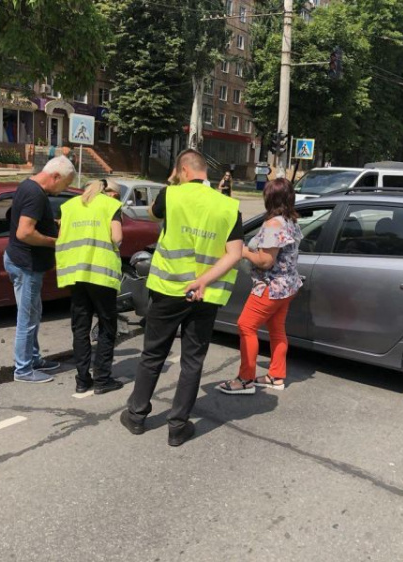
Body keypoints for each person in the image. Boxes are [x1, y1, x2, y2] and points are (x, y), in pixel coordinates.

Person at [121, 149, 243, 446]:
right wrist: (203, 280)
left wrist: (171, 183)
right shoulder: (229, 206)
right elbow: (235, 254)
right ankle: (178, 427)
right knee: (192, 360)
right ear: (204, 172)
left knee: (153, 354)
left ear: (183, 171)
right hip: (206, 294)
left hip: (168, 290)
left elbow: (152, 214)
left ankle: (136, 415)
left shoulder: (170, 195)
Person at [216, 178, 302, 394]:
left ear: (270, 198)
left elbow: (265, 261)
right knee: (276, 330)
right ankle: (276, 376)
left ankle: (245, 380)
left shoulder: (273, 224)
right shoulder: (291, 221)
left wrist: (243, 251)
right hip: (288, 287)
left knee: (246, 326)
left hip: (270, 287)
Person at [4, 155, 75, 383]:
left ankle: (33, 359)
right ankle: (23, 369)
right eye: (64, 184)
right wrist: (55, 242)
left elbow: (28, 221)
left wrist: (52, 224)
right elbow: (24, 232)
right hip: (27, 265)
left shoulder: (28, 185)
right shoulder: (35, 194)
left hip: (22, 261)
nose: (63, 189)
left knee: (34, 313)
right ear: (55, 176)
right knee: (28, 318)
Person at [56, 179, 125, 395]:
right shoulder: (110, 206)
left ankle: (82, 379)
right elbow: (117, 238)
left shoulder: (69, 206)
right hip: (101, 274)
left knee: (80, 327)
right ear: (112, 194)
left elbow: (62, 237)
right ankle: (103, 379)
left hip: (76, 273)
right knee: (107, 326)